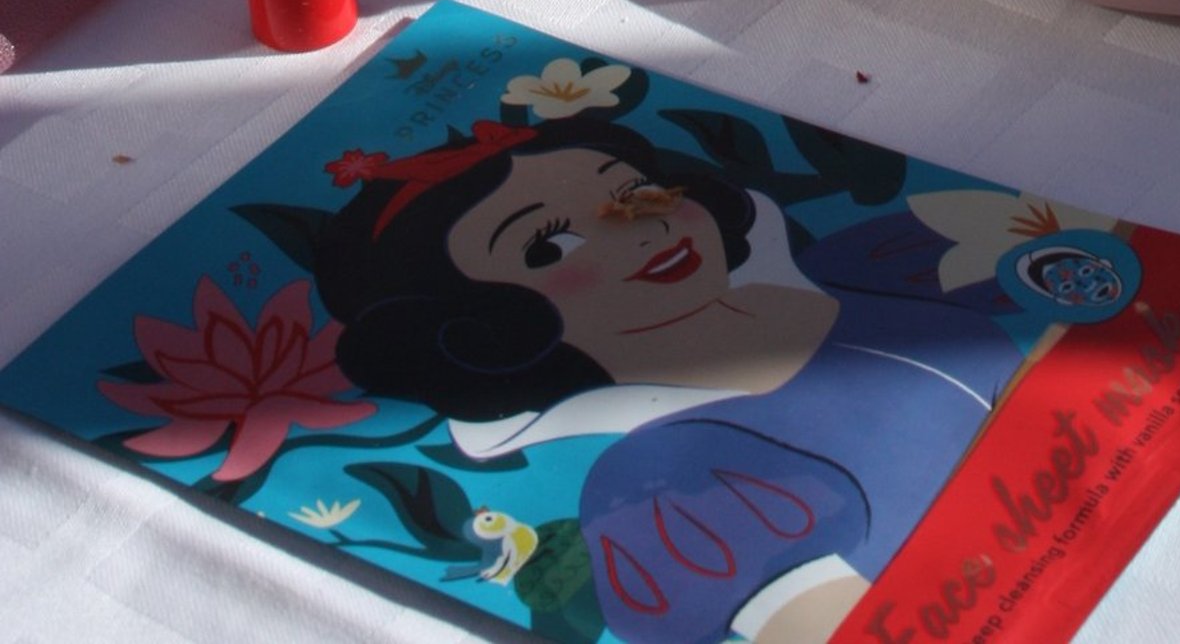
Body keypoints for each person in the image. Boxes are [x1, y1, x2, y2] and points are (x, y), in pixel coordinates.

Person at [310, 112, 1027, 644]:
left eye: (636, 191)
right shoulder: (662, 488)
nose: (641, 227)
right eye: (549, 243)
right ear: (485, 327)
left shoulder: (881, 258)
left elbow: (1114, 311)